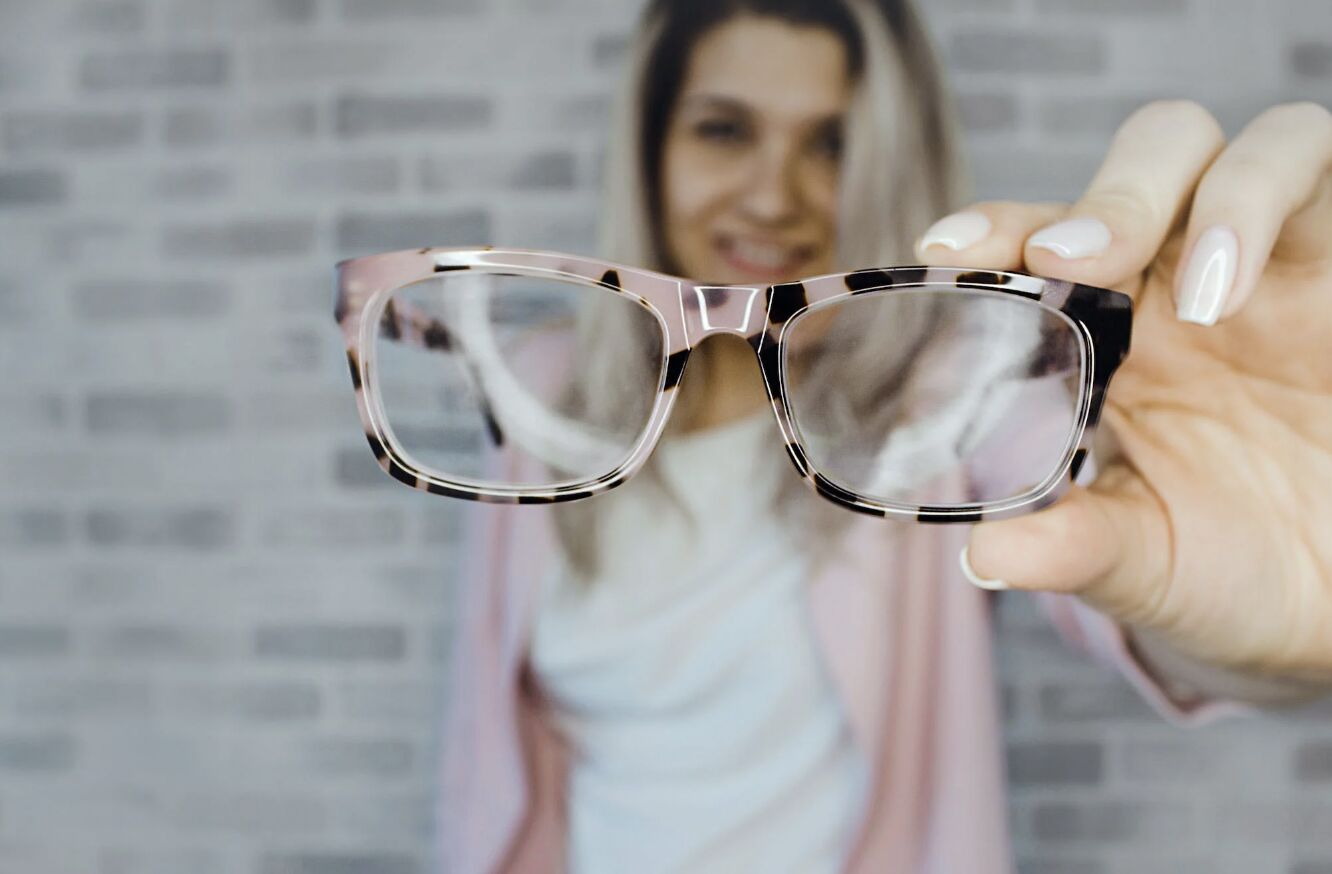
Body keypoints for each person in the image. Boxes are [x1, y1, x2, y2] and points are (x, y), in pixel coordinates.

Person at [435, 0, 1332, 871]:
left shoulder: (947, 391)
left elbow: (1131, 565)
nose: (773, 196)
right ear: (649, 147)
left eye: (833, 143)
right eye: (725, 130)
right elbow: (491, 759)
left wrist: (1297, 604)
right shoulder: (543, 389)